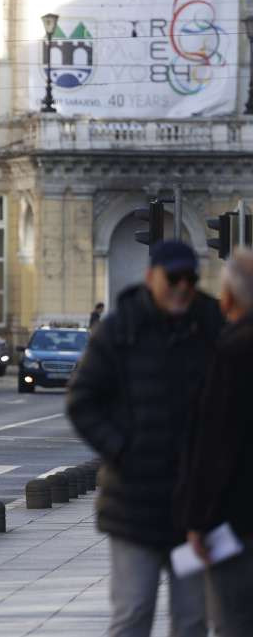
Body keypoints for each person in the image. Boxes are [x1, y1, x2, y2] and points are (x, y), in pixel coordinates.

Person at [66, 240, 223, 637]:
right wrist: (120, 449)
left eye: (191, 279)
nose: (183, 287)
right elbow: (82, 401)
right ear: (151, 277)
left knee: (192, 619)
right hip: (135, 509)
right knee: (134, 612)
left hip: (195, 512)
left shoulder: (211, 325)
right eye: (173, 278)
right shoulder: (120, 330)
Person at [177, 249, 253, 637]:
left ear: (227, 299)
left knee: (232, 623)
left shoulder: (230, 353)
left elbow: (214, 447)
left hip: (237, 521)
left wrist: (197, 522)